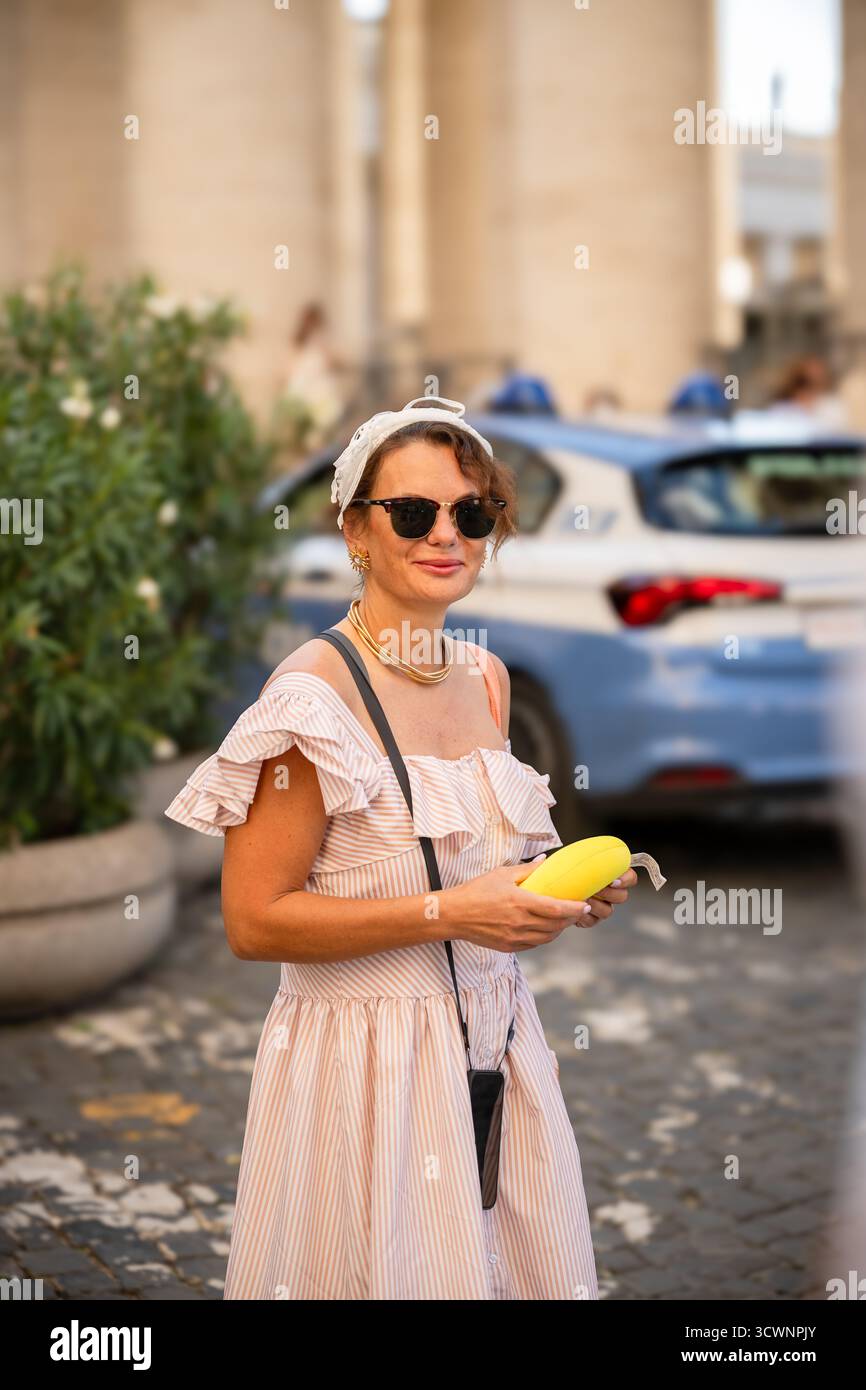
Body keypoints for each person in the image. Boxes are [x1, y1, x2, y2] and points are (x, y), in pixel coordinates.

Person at [165, 395, 637, 1300]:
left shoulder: (488, 679)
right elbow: (254, 922)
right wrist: (451, 913)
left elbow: (479, 872)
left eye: (472, 512)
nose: (445, 535)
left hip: (494, 1054)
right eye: (413, 513)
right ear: (355, 531)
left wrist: (556, 893)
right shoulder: (312, 696)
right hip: (363, 1071)